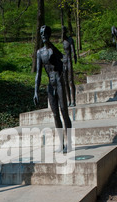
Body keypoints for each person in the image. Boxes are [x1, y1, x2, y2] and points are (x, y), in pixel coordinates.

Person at [34, 25, 73, 153]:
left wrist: (51, 46)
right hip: (50, 84)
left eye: (45, 33)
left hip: (59, 81)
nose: (43, 35)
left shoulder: (53, 50)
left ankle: (69, 143)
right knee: (55, 114)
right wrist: (35, 91)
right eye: (41, 33)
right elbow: (38, 73)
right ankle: (61, 143)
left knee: (64, 111)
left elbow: (62, 59)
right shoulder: (39, 52)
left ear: (49, 35)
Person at [62, 26, 77, 107]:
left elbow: (73, 51)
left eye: (64, 32)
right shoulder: (63, 41)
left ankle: (73, 100)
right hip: (64, 61)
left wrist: (75, 56)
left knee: (71, 81)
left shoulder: (70, 39)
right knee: (65, 82)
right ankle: (68, 100)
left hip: (69, 61)